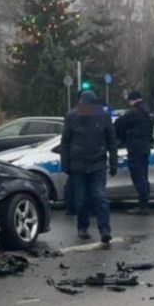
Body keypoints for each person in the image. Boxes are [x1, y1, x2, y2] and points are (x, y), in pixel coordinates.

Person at [61, 90, 117, 245]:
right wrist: (66, 164)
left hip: (97, 163)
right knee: (81, 200)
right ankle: (83, 227)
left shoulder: (102, 116)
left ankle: (105, 230)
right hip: (78, 165)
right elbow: (65, 142)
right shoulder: (72, 117)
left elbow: (112, 141)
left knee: (99, 197)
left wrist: (113, 162)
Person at [115, 90, 154, 214]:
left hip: (135, 147)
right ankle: (145, 203)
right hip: (145, 146)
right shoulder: (147, 112)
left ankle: (143, 206)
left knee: (138, 176)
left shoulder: (134, 112)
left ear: (132, 100)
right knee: (143, 176)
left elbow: (118, 124)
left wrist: (121, 138)